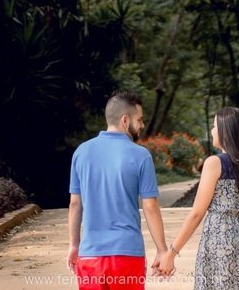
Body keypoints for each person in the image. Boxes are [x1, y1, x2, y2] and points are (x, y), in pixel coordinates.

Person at [156, 107, 239, 290]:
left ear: (226, 131)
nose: (212, 130)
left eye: (214, 126)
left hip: (221, 240)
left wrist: (171, 253)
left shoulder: (214, 163)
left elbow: (196, 214)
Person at [68, 91, 171, 289]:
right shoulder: (141, 155)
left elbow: (75, 203)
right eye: (139, 120)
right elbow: (150, 207)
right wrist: (161, 250)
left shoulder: (81, 152)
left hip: (90, 255)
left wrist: (74, 245)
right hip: (127, 255)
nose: (141, 125)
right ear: (125, 120)